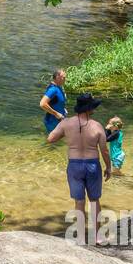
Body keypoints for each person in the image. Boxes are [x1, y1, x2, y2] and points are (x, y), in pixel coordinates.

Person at [47, 93, 111, 244]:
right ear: (90, 108)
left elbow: (50, 139)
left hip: (74, 165)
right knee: (95, 200)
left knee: (79, 201)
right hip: (92, 165)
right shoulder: (97, 125)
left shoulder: (66, 123)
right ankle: (97, 237)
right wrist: (109, 167)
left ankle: (81, 237)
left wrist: (63, 129)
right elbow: (104, 150)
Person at [40, 70, 68, 136]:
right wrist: (56, 114)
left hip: (58, 121)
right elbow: (42, 104)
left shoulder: (59, 88)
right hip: (52, 122)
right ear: (58, 77)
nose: (65, 79)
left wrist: (63, 109)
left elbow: (56, 102)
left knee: (57, 142)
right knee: (53, 143)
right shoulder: (53, 89)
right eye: (64, 77)